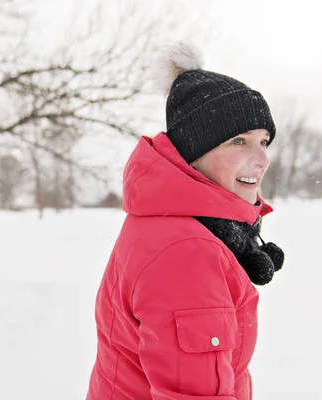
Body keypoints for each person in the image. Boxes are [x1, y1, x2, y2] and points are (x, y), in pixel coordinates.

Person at [86, 42, 285, 400]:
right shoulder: (187, 250)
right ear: (196, 151)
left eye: (263, 141)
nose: (262, 159)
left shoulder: (169, 222)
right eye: (239, 141)